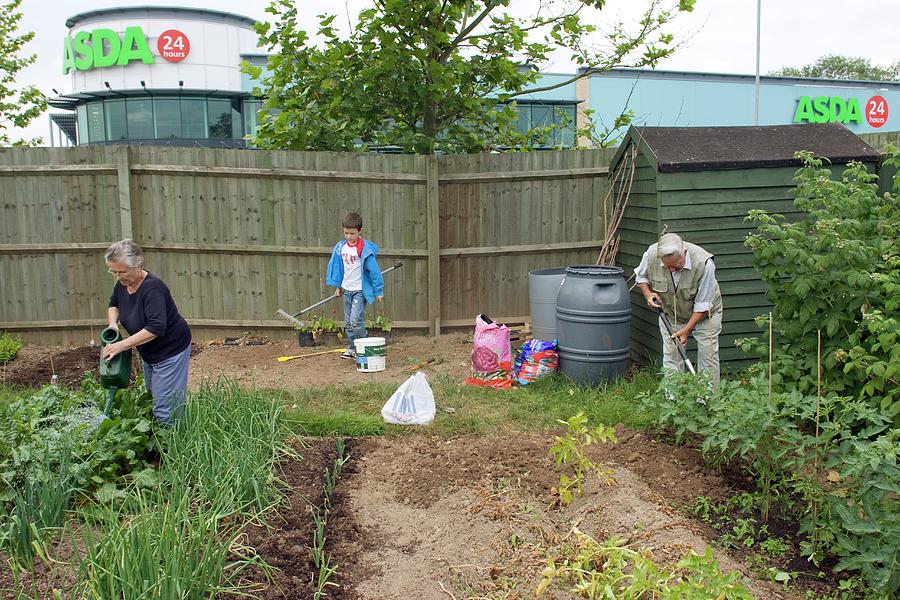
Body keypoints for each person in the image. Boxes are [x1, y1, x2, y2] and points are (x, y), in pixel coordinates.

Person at [101, 239, 192, 425]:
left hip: (170, 351)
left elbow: (156, 327)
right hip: (149, 352)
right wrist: (113, 325)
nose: (118, 277)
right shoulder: (123, 283)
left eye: (122, 272)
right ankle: (161, 438)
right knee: (154, 396)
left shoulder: (153, 289)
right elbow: (113, 305)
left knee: (165, 409)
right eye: (114, 272)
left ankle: (172, 447)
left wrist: (122, 345)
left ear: (138, 265)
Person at [635, 233, 723, 382]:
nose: (672, 270)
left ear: (685, 252)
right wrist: (648, 294)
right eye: (667, 266)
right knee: (672, 357)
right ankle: (673, 401)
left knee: (708, 358)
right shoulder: (651, 254)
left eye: (676, 265)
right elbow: (641, 276)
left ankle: (709, 401)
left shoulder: (704, 263)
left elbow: (703, 305)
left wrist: (686, 330)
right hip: (671, 315)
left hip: (706, 316)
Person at [326, 212, 385, 360]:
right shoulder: (341, 248)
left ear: (360, 230)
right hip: (347, 289)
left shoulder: (364, 250)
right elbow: (338, 268)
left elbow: (374, 272)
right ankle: (353, 348)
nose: (349, 237)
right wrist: (338, 286)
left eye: (352, 233)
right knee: (348, 323)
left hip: (360, 290)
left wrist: (378, 290)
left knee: (355, 320)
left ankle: (363, 345)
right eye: (346, 233)